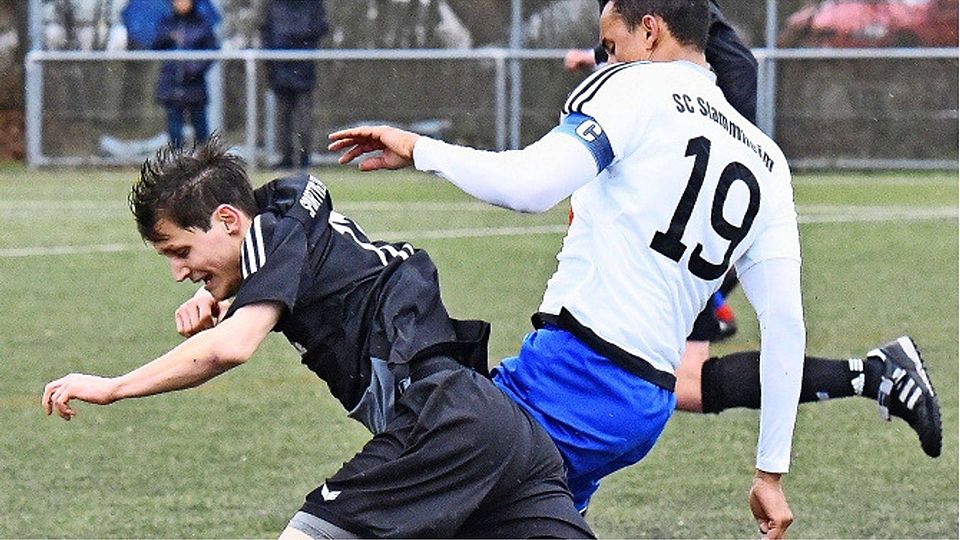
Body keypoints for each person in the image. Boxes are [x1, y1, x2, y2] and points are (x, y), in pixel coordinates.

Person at [330, 1, 806, 536]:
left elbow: (529, 186)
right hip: (645, 406)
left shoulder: (637, 88)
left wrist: (421, 148)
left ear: (649, 32)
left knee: (387, 486)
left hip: (571, 378)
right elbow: (786, 325)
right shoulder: (767, 161)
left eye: (611, 45)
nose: (607, 60)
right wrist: (770, 472)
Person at [41, 137, 593, 539]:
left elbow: (232, 347)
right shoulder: (288, 211)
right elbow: (291, 256)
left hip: (440, 425)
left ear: (230, 220)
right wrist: (223, 292)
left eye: (181, 252)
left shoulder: (274, 235)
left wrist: (113, 386)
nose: (179, 273)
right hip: (503, 433)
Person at [562, 0, 942, 458]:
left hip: (696, 174)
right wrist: (605, 57)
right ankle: (876, 374)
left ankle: (876, 374)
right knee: (681, 380)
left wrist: (704, 142)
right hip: (689, 173)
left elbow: (719, 55)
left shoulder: (683, 34)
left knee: (669, 372)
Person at [261, 0, 328, 169]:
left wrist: (293, 39)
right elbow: (267, 33)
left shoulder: (312, 5)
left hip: (304, 70)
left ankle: (305, 158)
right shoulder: (274, 7)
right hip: (280, 70)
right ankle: (286, 158)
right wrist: (270, 63)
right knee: (283, 118)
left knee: (304, 118)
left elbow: (319, 28)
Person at [153, 0, 218, 148]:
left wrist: (194, 68)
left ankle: (205, 159)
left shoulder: (201, 24)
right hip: (171, 85)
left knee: (201, 128)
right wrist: (168, 37)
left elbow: (211, 51)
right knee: (175, 130)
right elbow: (155, 45)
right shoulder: (166, 23)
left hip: (195, 84)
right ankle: (178, 162)